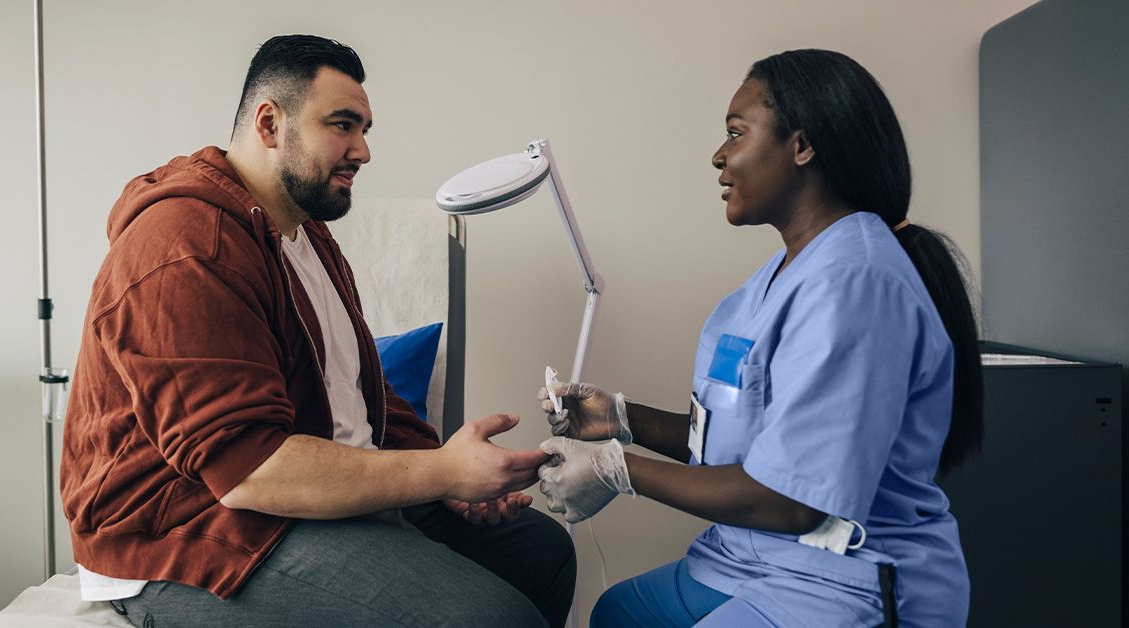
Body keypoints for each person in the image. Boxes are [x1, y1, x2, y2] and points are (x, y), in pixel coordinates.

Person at [60, 34, 574, 628]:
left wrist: (447, 474)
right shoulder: (187, 245)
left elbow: (357, 391)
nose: (363, 151)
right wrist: (444, 472)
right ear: (270, 124)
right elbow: (248, 468)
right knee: (491, 617)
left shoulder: (305, 235)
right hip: (183, 527)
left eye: (365, 129)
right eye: (342, 125)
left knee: (542, 554)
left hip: (291, 493)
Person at [537, 49, 982, 627]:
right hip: (747, 558)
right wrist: (621, 418)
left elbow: (794, 501)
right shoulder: (774, 282)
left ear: (802, 145)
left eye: (735, 132)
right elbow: (739, 442)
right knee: (618, 614)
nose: (718, 156)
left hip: (841, 579)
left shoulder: (857, 285)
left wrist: (618, 470)